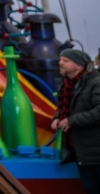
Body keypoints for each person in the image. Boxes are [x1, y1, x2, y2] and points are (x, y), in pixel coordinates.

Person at [52, 48, 100, 193]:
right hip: (81, 150)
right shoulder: (66, 85)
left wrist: (71, 121)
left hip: (96, 149)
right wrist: (57, 117)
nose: (60, 63)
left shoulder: (95, 83)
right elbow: (64, 107)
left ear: (79, 65)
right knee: (91, 188)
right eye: (60, 59)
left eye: (65, 61)